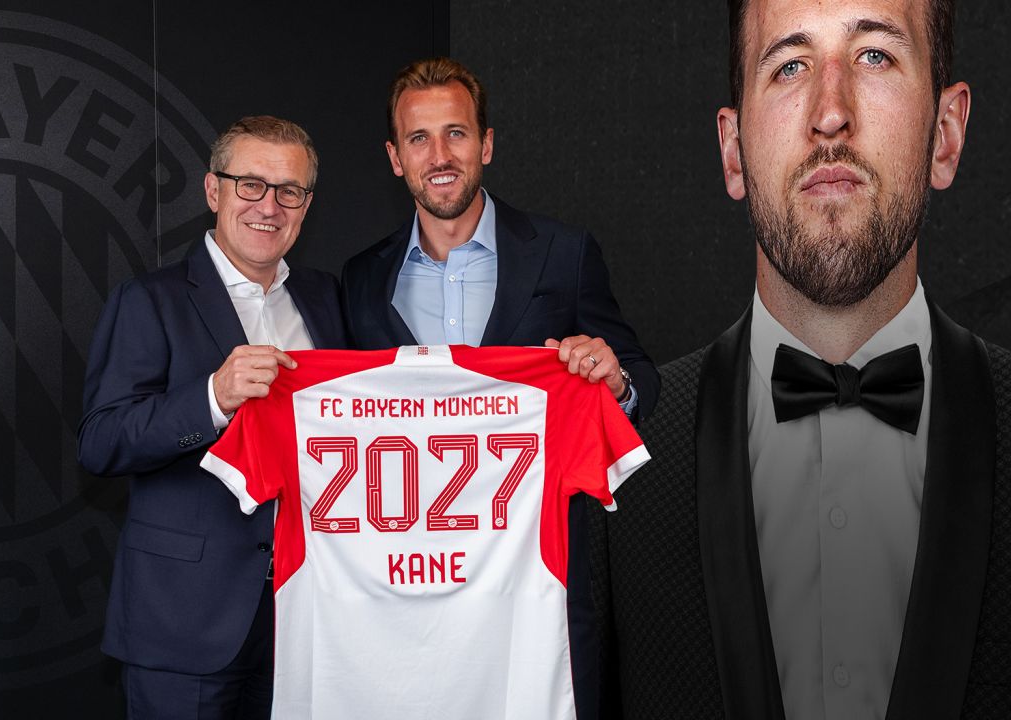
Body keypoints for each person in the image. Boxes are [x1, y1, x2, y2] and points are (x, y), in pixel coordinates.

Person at [589, 1, 1010, 719]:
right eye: (790, 65)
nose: (830, 113)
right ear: (733, 152)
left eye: (874, 55)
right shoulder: (615, 465)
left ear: (946, 135)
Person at [340, 56, 659, 719]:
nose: (440, 155)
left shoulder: (563, 253)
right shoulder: (360, 281)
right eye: (419, 139)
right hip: (412, 592)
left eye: (456, 133)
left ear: (485, 144)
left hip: (540, 582)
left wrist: (615, 378)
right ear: (395, 158)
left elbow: (643, 383)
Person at [77, 115, 345, 719]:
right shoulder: (150, 299)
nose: (268, 207)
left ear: (306, 205)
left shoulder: (328, 299)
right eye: (250, 184)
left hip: (306, 624)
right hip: (185, 622)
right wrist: (212, 398)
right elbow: (100, 442)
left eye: (289, 192)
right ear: (213, 191)